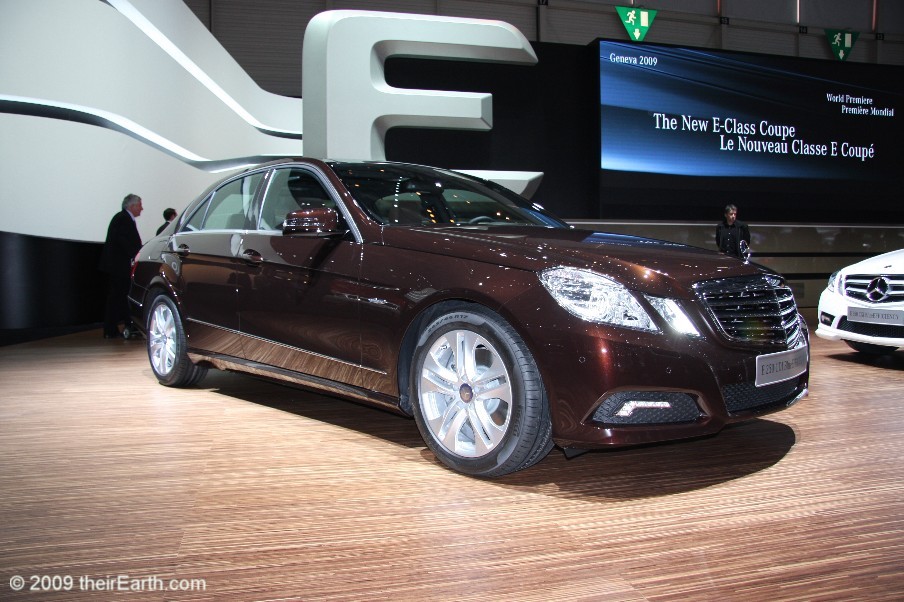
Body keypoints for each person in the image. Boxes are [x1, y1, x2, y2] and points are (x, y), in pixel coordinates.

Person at [99, 193, 143, 339]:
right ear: (132, 206)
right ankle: (111, 330)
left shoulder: (122, 218)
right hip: (118, 267)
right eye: (140, 205)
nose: (142, 208)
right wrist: (137, 254)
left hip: (118, 266)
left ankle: (119, 327)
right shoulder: (123, 219)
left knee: (118, 297)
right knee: (117, 297)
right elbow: (123, 242)